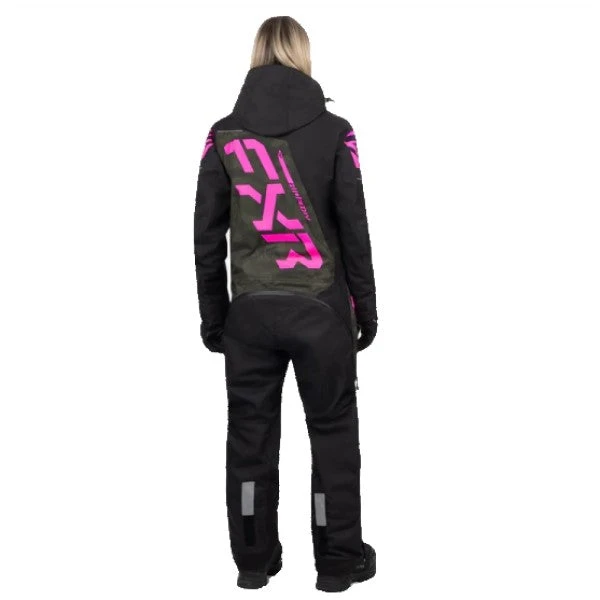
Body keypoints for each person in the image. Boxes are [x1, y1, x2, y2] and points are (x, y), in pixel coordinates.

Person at [193, 16, 378, 593]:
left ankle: (253, 562)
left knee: (249, 438)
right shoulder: (335, 131)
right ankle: (338, 563)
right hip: (322, 312)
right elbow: (354, 227)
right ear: (303, 54)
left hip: (249, 314)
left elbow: (206, 235)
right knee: (332, 435)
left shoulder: (223, 135)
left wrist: (214, 317)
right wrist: (366, 311)